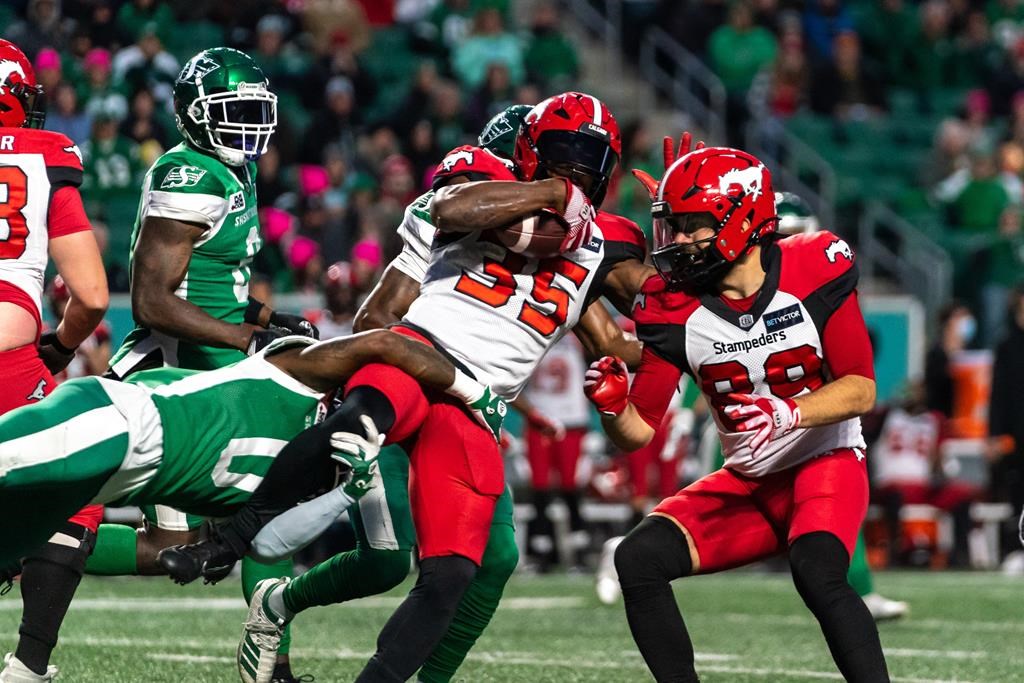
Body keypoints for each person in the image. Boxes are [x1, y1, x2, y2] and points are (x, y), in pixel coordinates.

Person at [164, 92, 649, 683]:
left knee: (471, 568)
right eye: (553, 163)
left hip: (472, 409)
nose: (568, 177)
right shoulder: (478, 189)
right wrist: (548, 196)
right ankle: (234, 544)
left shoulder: (600, 243)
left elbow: (640, 322)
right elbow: (439, 227)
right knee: (379, 506)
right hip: (415, 366)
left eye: (583, 167)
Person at [585, 146, 890, 681]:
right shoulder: (670, 306)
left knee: (818, 572)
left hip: (824, 461)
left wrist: (789, 413)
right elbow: (638, 432)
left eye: (690, 225)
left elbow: (861, 389)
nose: (677, 241)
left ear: (740, 218)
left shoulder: (813, 263)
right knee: (637, 560)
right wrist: (612, 408)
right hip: (748, 483)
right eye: (673, 226)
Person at [85, 47, 315, 683]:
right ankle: (22, 550)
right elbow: (153, 301)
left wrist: (267, 320)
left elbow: (219, 280)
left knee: (267, 516)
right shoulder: (191, 173)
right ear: (194, 113)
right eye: (233, 110)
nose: (247, 125)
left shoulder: (231, 171)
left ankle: (273, 666)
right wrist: (245, 338)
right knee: (172, 549)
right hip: (176, 381)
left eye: (253, 111)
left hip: (221, 379)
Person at [0, 331, 506, 573]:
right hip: (119, 423)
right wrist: (473, 390)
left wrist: (345, 496)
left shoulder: (321, 468)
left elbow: (266, 547)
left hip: (117, 479)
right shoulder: (300, 371)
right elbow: (389, 345)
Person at [0, 39, 109, 683]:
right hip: (9, 358)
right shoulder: (43, 159)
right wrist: (62, 347)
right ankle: (27, 664)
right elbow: (92, 295)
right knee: (74, 489)